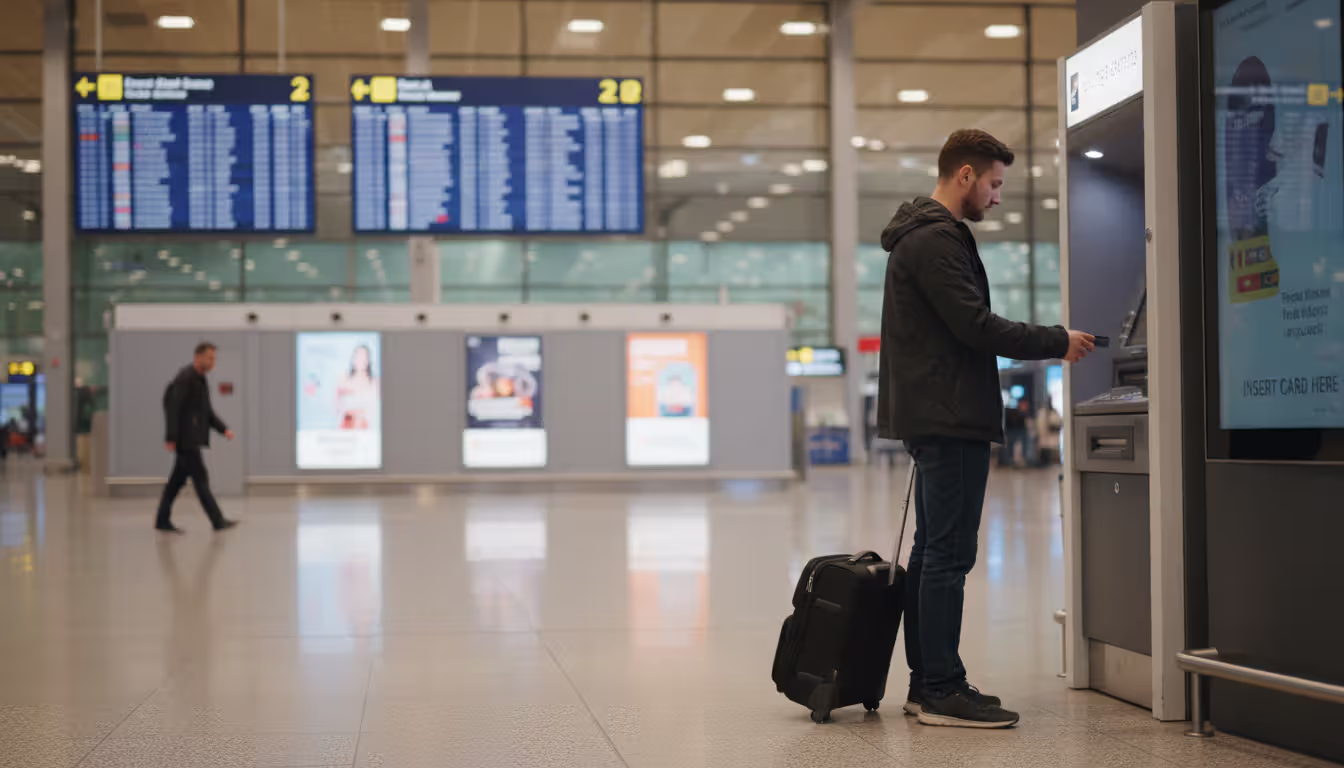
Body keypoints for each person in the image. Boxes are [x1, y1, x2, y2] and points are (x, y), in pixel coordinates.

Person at [877, 129, 1094, 728]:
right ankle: (942, 689)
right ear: (965, 175)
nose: (998, 196)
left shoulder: (919, 238)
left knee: (932, 552)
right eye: (995, 183)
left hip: (935, 412)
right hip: (949, 416)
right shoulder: (937, 239)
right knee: (949, 554)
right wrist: (1057, 341)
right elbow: (975, 326)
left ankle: (929, 683)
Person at [156, 342, 238, 533]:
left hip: (190, 440)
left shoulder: (200, 380)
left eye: (214, 358)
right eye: (210, 358)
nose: (212, 362)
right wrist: (171, 437)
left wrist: (223, 429)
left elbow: (206, 412)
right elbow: (173, 408)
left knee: (176, 483)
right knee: (201, 480)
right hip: (186, 441)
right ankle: (217, 521)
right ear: (198, 357)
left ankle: (161, 519)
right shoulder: (185, 378)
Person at [336, 344, 378, 430]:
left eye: (363, 357)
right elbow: (338, 407)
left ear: (368, 361)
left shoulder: (375, 382)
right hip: (347, 429)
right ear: (353, 359)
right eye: (357, 356)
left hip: (368, 430)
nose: (360, 360)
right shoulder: (344, 380)